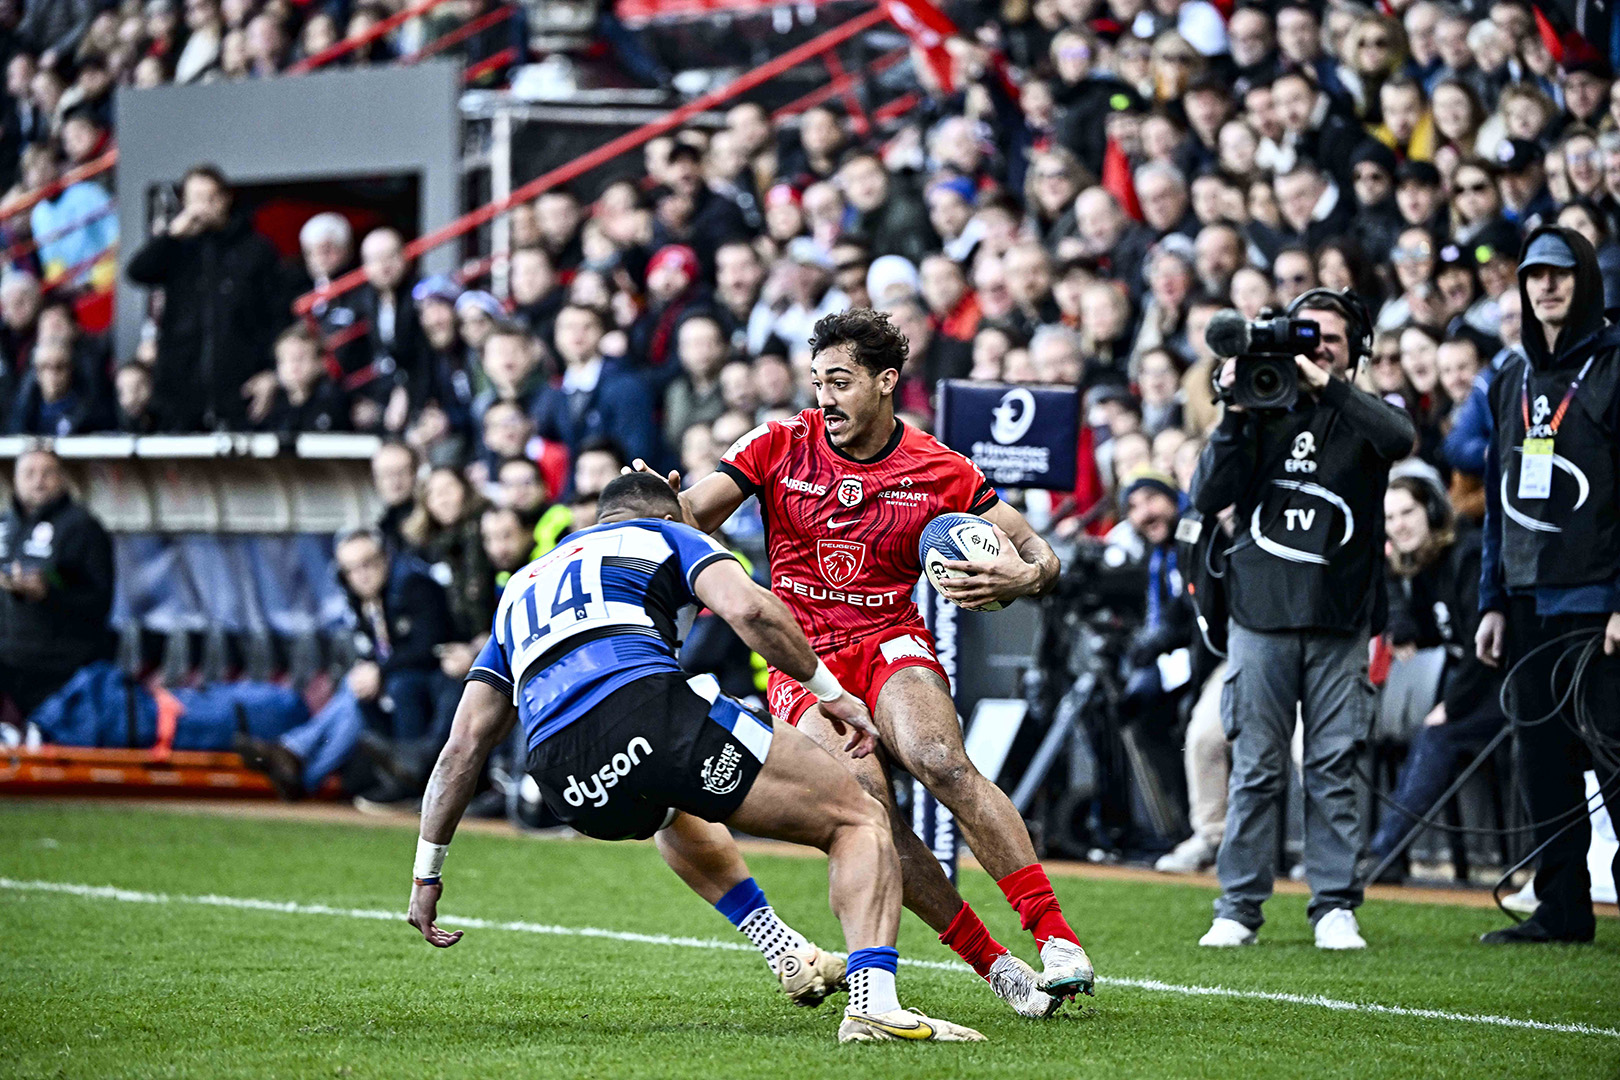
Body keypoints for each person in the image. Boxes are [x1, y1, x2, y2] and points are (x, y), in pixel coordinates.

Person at [406, 473, 984, 1043]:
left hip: (566, 779)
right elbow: (750, 610)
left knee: (670, 802)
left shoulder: (520, 588)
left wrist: (426, 872)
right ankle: (873, 1006)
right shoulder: (666, 535)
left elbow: (463, 748)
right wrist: (834, 696)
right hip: (644, 711)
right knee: (857, 817)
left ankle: (786, 951)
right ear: (668, 514)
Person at [629, 308, 1092, 1015]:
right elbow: (694, 514)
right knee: (868, 810)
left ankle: (1054, 936)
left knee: (940, 760)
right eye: (817, 381)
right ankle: (994, 964)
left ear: (885, 382)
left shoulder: (939, 466)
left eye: (840, 381)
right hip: (803, 660)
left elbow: (1040, 554)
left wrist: (1024, 581)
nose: (824, 396)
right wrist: (658, 508)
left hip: (889, 640)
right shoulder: (781, 442)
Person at [1191, 289, 1416, 950]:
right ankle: (1238, 906)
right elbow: (1207, 495)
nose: (1316, 351)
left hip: (1341, 616)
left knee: (1332, 765)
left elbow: (1400, 438)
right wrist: (1234, 410)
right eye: (1307, 340)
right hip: (1259, 613)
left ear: (1356, 352)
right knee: (1257, 766)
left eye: (1332, 341)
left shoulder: (1368, 415)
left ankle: (1334, 904)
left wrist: (1328, 384)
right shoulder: (1260, 407)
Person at [1476, 226, 1620, 944]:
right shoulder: (1511, 376)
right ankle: (1563, 911)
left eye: (1559, 274)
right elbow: (1499, 495)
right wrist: (1491, 601)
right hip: (1528, 599)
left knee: (1616, 757)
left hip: (1598, 602)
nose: (1546, 287)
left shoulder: (1616, 363)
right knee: (1544, 765)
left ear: (1584, 279)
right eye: (1534, 275)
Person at [1364, 475, 1503, 881]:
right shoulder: (1425, 565)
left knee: (1436, 734)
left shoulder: (1468, 555)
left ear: (1434, 511)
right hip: (1473, 685)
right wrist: (1397, 611)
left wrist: (1452, 706)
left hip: (1504, 688)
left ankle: (1383, 857)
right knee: (1430, 732)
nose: (1399, 525)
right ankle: (1383, 854)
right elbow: (1427, 630)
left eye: (1407, 512)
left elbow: (1486, 650)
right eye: (1390, 517)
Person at [125, 164, 283, 431]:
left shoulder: (256, 249)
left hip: (239, 385)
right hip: (180, 388)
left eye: (210, 198)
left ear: (225, 199)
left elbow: (276, 315)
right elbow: (137, 272)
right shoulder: (177, 249)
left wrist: (270, 371)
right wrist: (172, 235)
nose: (202, 208)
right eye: (194, 200)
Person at [0, 447, 114, 719]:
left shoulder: (83, 527)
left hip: (60, 672)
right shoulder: (5, 523)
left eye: (47, 473)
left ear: (62, 478)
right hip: (8, 666)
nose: (38, 480)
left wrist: (48, 594)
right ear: (15, 479)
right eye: (30, 473)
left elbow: (101, 601)